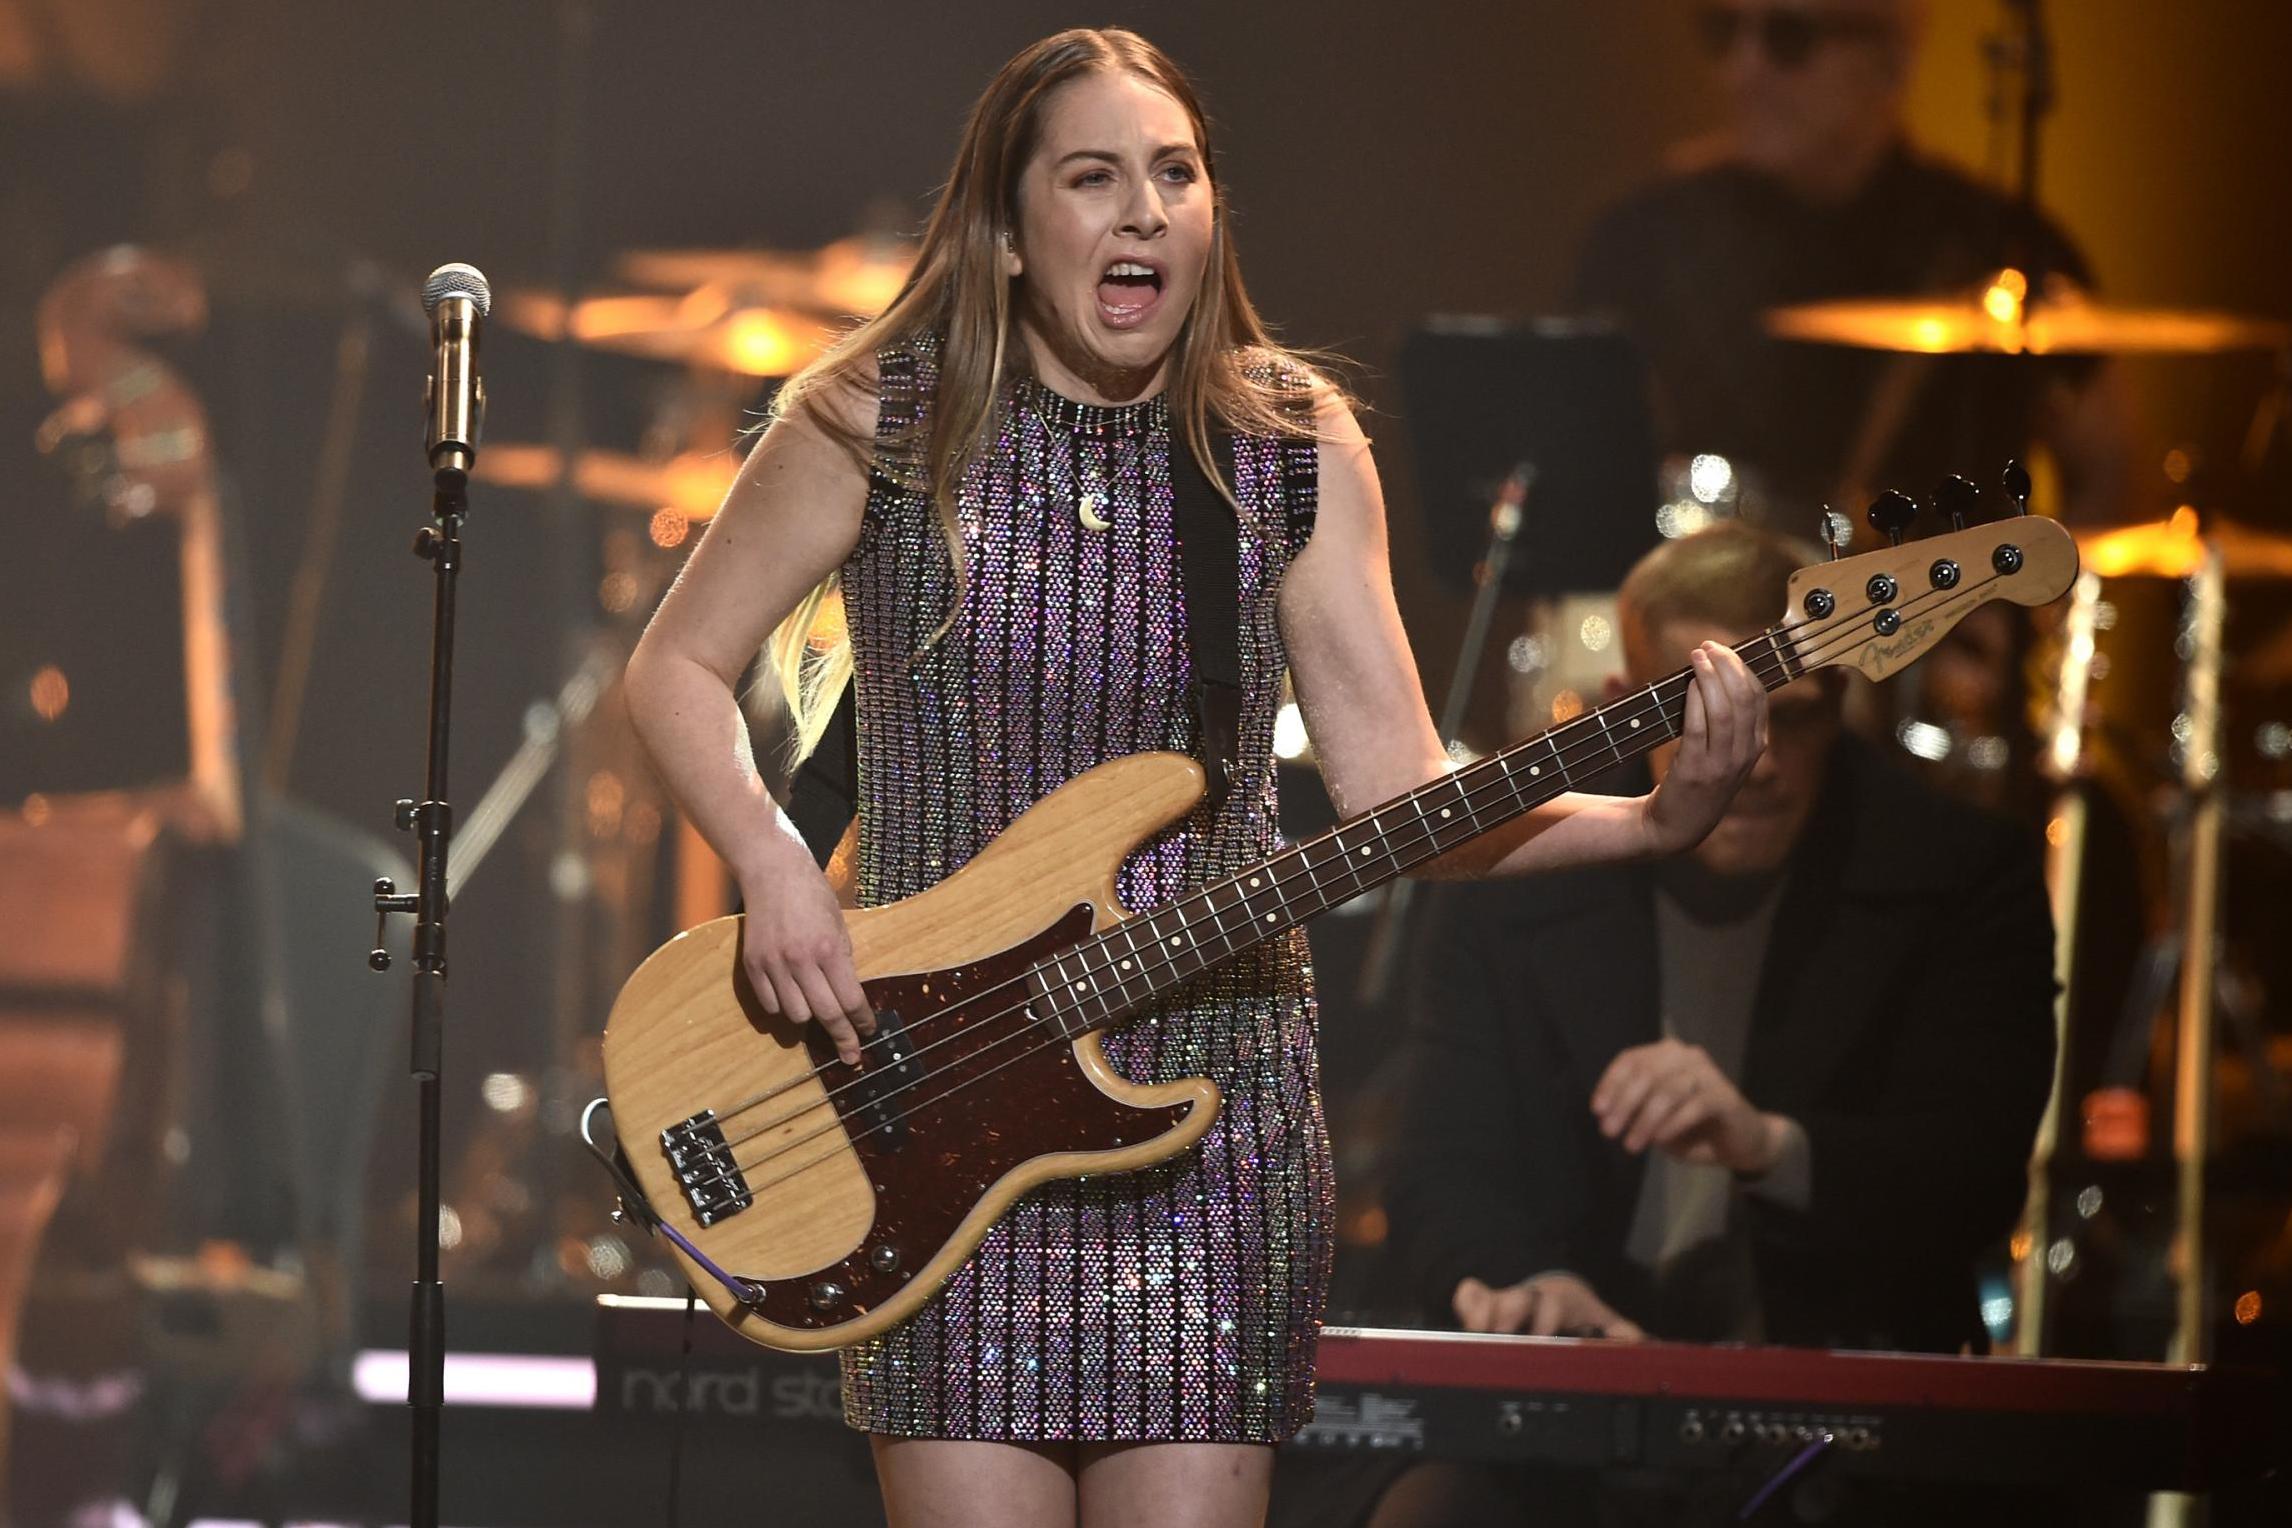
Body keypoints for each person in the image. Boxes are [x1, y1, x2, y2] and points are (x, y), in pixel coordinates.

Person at [624, 28, 1770, 1528]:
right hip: (935, 1109)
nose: (1144, 212)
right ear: (1012, 228)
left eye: (1176, 176)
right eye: (1094, 178)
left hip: (1205, 1129)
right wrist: (777, 866)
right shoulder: (880, 420)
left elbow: (1402, 804)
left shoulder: (1287, 444)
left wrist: (1653, 817)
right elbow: (675, 668)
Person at [1374, 523, 2059, 1526]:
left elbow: (1974, 1179)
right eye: (1713, 723)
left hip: (1850, 1433)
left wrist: (1768, 1146)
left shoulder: (1959, 876)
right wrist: (1522, 1282)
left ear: (1845, 704)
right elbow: (1438, 1163)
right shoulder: (1507, 873)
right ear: (1622, 710)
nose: (1759, 764)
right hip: (1559, 1437)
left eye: (1797, 720)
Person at [1573, 0, 2136, 529]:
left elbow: (2111, 465)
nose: (1741, 71)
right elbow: (1573, 458)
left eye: (1788, 37)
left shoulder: (2001, 247)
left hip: (1924, 622)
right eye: (1723, 31)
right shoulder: (1644, 236)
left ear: (1891, 60)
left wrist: (2024, 608)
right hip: (1703, 620)